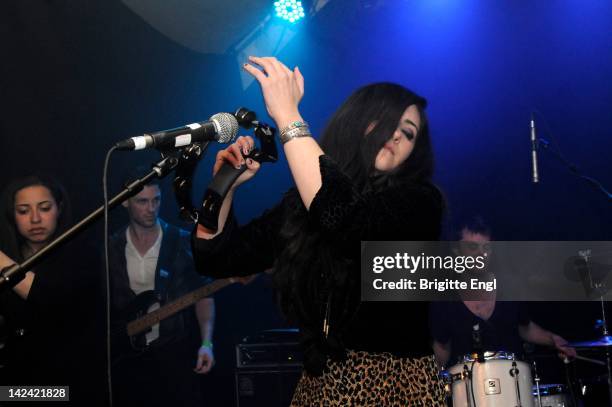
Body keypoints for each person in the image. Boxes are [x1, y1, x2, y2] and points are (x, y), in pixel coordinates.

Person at [193, 57, 446, 405]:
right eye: (388, 122)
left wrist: (288, 117)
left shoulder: (420, 202)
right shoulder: (303, 205)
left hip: (394, 388)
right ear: (360, 120)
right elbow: (217, 257)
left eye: (409, 133)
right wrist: (224, 185)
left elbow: (348, 223)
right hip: (320, 387)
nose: (397, 136)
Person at [108, 175, 215, 406]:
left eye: (156, 200)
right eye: (142, 201)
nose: (151, 208)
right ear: (125, 202)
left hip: (173, 353)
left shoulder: (183, 241)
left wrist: (207, 344)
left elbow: (204, 295)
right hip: (123, 358)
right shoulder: (111, 247)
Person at [0, 175, 106, 405]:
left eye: (45, 208)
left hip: (66, 384)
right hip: (15, 384)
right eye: (23, 211)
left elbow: (51, 299)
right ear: (12, 216)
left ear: (58, 208)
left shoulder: (84, 255)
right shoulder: (9, 253)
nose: (35, 218)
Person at [429, 216, 576, 368]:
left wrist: (554, 339)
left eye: (486, 248)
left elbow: (525, 328)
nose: (481, 254)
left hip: (513, 380)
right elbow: (442, 347)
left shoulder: (508, 287)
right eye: (473, 247)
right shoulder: (445, 296)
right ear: (457, 251)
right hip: (468, 386)